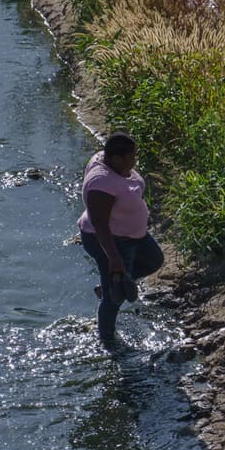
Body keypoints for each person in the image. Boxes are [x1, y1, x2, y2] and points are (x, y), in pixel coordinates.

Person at [77, 132, 164, 344]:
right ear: (116, 158)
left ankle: (111, 288)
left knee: (154, 260)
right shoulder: (101, 184)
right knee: (112, 300)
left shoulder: (107, 161)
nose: (135, 161)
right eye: (132, 157)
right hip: (113, 241)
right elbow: (100, 224)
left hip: (132, 236)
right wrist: (114, 258)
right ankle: (108, 341)